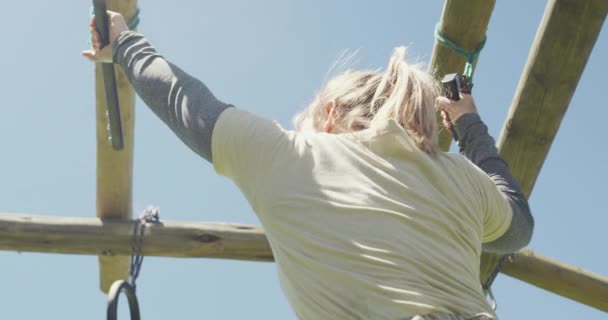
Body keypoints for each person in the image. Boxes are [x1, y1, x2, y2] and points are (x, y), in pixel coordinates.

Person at [83, 11, 533, 320]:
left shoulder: (296, 158)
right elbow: (517, 227)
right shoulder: (460, 179)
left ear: (332, 114)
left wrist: (122, 41)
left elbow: (187, 103)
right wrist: (469, 123)